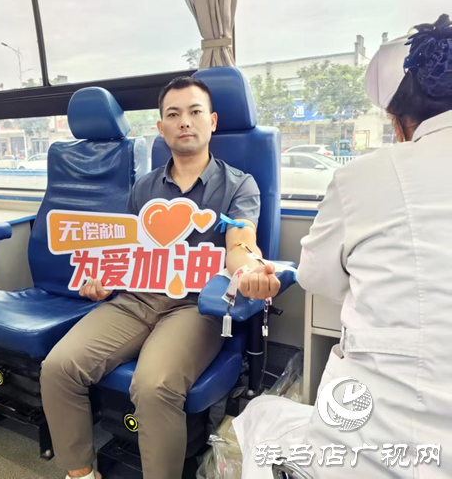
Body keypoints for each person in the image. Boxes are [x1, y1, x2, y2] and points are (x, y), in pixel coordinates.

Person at [234, 14, 452, 479]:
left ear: (397, 120)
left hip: (377, 441)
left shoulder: (365, 176)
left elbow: (317, 278)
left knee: (259, 419)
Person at [40, 76, 281, 479]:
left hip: (194, 308)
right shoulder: (144, 188)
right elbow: (125, 252)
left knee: (153, 386)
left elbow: (240, 243)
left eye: (195, 111)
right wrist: (102, 279)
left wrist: (251, 270)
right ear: (161, 128)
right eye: (173, 114)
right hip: (135, 300)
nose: (184, 121)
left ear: (212, 121)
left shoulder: (239, 185)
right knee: (58, 367)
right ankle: (80, 474)